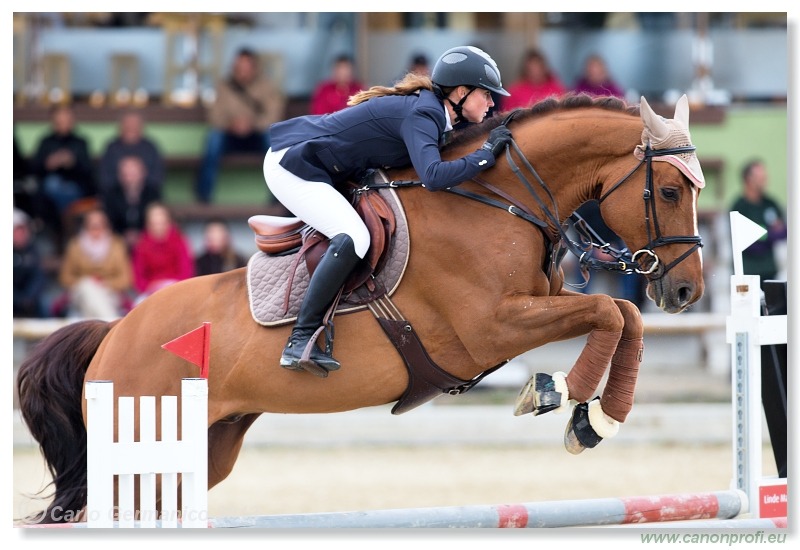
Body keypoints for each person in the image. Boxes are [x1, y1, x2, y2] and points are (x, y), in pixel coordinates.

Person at [264, 45, 512, 377]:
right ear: (461, 93)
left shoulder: (432, 114)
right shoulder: (424, 115)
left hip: (319, 162)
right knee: (355, 237)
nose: (492, 103)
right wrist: (485, 155)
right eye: (486, 94)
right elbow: (434, 177)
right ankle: (300, 338)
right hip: (292, 165)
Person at [196, 47, 286, 203]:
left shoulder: (267, 86)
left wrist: (252, 124)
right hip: (230, 135)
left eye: (247, 67)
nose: (242, 71)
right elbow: (214, 115)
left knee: (273, 143)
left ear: (255, 67)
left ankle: (277, 198)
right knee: (213, 139)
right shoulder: (223, 86)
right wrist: (232, 124)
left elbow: (274, 115)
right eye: (239, 67)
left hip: (256, 135)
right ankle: (204, 196)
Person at [30, 104, 96, 235]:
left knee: (62, 189)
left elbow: (89, 172)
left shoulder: (80, 142)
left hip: (76, 189)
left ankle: (62, 222)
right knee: (52, 184)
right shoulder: (46, 142)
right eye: (60, 119)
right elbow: (34, 169)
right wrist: (47, 164)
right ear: (53, 121)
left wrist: (73, 163)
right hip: (49, 194)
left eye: (67, 118)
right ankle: (66, 221)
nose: (63, 122)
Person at [57, 208, 133, 319]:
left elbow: (126, 279)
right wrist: (90, 282)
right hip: (80, 292)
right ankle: (111, 323)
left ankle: (101, 327)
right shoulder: (75, 245)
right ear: (85, 227)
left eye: (99, 226)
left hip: (110, 293)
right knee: (87, 287)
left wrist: (103, 284)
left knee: (92, 302)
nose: (96, 230)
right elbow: (65, 277)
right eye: (92, 226)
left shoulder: (117, 245)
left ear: (106, 226)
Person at [730, 159, 787, 284]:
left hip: (771, 272)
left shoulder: (770, 203)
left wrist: (761, 233)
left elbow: (784, 232)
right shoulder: (739, 207)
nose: (765, 179)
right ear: (748, 179)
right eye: (760, 176)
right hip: (747, 272)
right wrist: (769, 232)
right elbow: (749, 244)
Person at [131, 203, 195, 303]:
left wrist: (171, 285)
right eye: (154, 224)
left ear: (168, 223)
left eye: (162, 223)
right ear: (148, 225)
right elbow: (138, 276)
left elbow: (186, 271)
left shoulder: (179, 241)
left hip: (176, 289)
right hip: (150, 292)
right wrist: (150, 288)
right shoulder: (142, 245)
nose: (158, 228)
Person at [97, 110, 165, 195]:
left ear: (142, 127)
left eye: (135, 124)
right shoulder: (112, 147)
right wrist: (124, 179)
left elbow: (157, 177)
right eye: (127, 124)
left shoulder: (150, 147)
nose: (131, 127)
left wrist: (138, 181)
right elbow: (104, 178)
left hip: (145, 195)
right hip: (116, 196)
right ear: (120, 127)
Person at [101, 155, 161, 249]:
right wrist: (122, 236)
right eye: (125, 174)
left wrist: (141, 236)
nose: (129, 179)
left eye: (133, 174)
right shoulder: (111, 195)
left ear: (143, 174)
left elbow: (157, 222)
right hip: (117, 241)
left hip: (148, 240)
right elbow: (108, 221)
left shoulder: (152, 194)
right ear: (119, 176)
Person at [13, 208, 48, 318]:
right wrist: (17, 299)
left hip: (30, 300)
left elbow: (38, 276)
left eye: (23, 230)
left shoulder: (33, 250)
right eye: (17, 231)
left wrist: (29, 298)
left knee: (45, 304)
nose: (21, 234)